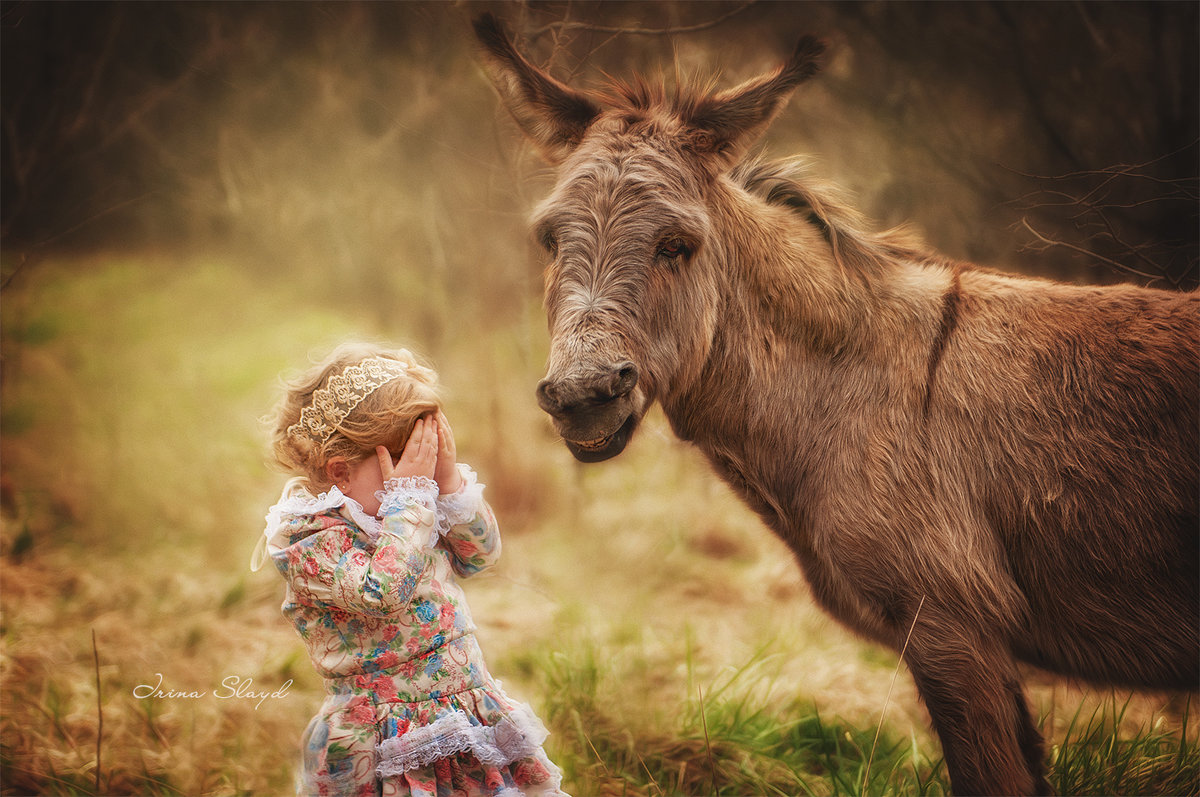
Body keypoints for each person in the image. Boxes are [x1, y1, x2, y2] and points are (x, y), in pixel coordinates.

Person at [253, 342, 565, 797]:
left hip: (466, 718)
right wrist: (411, 497)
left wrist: (447, 483)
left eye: (423, 461)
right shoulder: (310, 537)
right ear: (340, 472)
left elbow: (479, 556)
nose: (414, 478)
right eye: (402, 465)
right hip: (380, 741)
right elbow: (383, 591)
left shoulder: (409, 506)